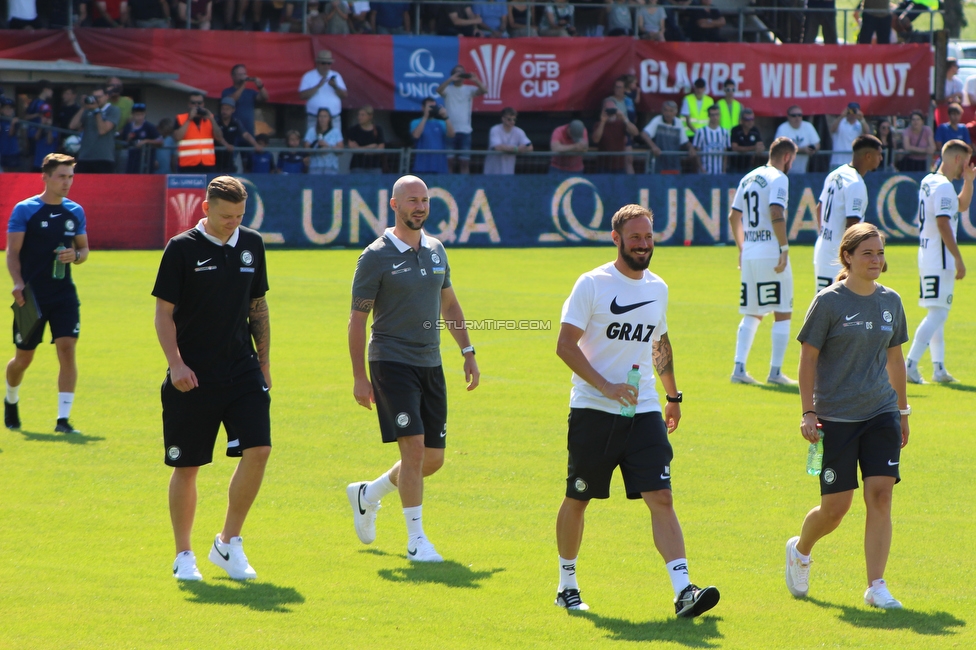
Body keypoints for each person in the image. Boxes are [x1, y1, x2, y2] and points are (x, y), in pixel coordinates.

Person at [553, 203, 720, 617]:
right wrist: (606, 387)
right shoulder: (591, 284)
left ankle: (683, 590)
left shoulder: (657, 287)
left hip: (643, 410)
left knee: (661, 496)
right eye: (635, 238)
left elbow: (659, 344)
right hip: (594, 408)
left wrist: (673, 396)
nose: (644, 244)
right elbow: (564, 345)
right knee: (579, 498)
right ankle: (567, 584)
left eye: (648, 237)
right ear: (617, 239)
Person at [346, 174, 480, 563]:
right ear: (394, 205)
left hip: (430, 362)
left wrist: (467, 350)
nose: (419, 206)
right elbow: (357, 321)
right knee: (415, 449)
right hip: (390, 361)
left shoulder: (437, 249)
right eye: (411, 200)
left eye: (424, 200)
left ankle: (367, 494)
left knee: (431, 459)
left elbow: (450, 305)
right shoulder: (375, 256)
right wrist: (359, 376)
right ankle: (416, 540)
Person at [152, 175, 272, 582]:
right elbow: (163, 313)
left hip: (241, 367)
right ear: (206, 209)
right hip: (193, 375)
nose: (232, 223)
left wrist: (265, 362)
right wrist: (176, 364)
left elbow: (258, 305)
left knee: (260, 449)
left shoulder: (252, 244)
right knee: (188, 466)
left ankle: (228, 543)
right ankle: (183, 554)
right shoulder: (181, 249)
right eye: (225, 216)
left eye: (239, 216)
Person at [786, 223, 911, 611]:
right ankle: (801, 550)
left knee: (881, 494)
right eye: (867, 254)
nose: (876, 260)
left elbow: (895, 360)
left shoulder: (891, 301)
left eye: (880, 253)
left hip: (881, 412)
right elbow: (808, 358)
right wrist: (808, 411)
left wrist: (903, 411)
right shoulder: (828, 302)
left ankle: (876, 585)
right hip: (836, 418)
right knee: (836, 508)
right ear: (848, 258)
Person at [5, 153, 90, 434]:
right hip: (31, 296)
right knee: (23, 359)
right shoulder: (25, 210)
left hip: (64, 294)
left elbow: (84, 250)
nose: (67, 182)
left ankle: (63, 420)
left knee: (67, 349)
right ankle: (11, 398)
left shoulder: (75, 211)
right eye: (62, 176)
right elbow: (12, 252)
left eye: (71, 176)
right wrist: (18, 283)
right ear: (46, 177)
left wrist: (74, 255)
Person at [728, 137, 798, 385]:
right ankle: (776, 372)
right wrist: (784, 247)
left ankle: (739, 368)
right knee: (783, 311)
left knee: (752, 313)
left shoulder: (748, 177)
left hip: (750, 254)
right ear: (787, 157)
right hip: (770, 252)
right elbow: (776, 211)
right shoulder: (779, 178)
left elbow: (733, 217)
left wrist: (741, 247)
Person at [905, 139, 972, 384]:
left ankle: (939, 368)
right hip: (939, 257)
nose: (966, 166)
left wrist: (968, 181)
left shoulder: (930, 181)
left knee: (937, 311)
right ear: (957, 159)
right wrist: (958, 258)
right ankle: (909, 364)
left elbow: (960, 206)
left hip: (927, 254)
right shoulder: (943, 186)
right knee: (939, 313)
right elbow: (944, 223)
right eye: (965, 162)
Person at [814, 135, 883, 292]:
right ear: (868, 156)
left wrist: (825, 235)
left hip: (823, 249)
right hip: (838, 259)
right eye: (879, 154)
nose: (881, 158)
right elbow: (852, 225)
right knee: (842, 310)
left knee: (823, 306)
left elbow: (819, 207)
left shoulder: (835, 174)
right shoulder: (855, 183)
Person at [437, 65, 486, 175]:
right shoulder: (448, 89)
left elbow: (484, 90)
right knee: (449, 161)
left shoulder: (468, 89)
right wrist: (451, 79)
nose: (459, 76)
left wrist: (475, 80)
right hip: (450, 130)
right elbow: (438, 90)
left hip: (465, 130)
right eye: (457, 73)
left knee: (464, 162)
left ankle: (464, 187)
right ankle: (448, 186)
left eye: (461, 73)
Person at [68, 86, 120, 175]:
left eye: (99, 97)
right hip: (85, 157)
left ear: (106, 96)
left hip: (104, 157)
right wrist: (83, 107)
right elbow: (72, 126)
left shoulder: (113, 110)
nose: (96, 100)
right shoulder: (88, 110)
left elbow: (102, 130)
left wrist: (96, 110)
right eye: (94, 97)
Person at [173, 93, 223, 174]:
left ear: (203, 104)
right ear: (189, 104)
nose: (197, 105)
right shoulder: (181, 118)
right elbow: (177, 137)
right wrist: (189, 119)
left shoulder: (211, 118)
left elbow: (219, 137)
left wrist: (211, 119)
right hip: (187, 164)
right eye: (193, 103)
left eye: (199, 103)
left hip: (207, 164)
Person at [299, 50, 347, 132]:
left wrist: (335, 86)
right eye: (323, 63)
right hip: (314, 118)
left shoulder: (337, 76)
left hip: (333, 118)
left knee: (335, 143)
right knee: (312, 143)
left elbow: (345, 95)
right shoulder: (308, 76)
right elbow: (302, 95)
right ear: (317, 63)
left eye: (329, 63)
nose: (326, 66)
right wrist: (317, 86)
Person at [640, 101, 694, 174]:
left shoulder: (679, 123)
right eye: (666, 110)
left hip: (674, 164)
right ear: (662, 111)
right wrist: (653, 147)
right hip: (659, 164)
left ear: (675, 112)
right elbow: (644, 134)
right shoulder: (657, 120)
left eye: (671, 111)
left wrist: (691, 148)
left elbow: (685, 141)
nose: (668, 113)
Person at [221, 65, 267, 140]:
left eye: (244, 74)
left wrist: (261, 86)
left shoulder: (250, 92)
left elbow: (265, 97)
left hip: (249, 133)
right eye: (240, 74)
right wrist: (243, 85)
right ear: (233, 76)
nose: (243, 76)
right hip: (233, 133)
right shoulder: (227, 92)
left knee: (250, 151)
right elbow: (232, 100)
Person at [593, 98, 639, 174]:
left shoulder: (621, 124)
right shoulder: (598, 124)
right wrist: (603, 122)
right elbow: (596, 140)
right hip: (603, 166)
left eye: (612, 109)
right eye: (608, 110)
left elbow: (635, 133)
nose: (610, 112)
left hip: (619, 166)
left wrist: (624, 118)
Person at [215, 96, 257, 174]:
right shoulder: (216, 120)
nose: (224, 111)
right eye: (223, 109)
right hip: (215, 157)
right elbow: (217, 136)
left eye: (227, 109)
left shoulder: (235, 122)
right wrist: (226, 145)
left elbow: (245, 134)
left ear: (233, 110)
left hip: (229, 157)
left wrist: (256, 145)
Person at [411, 98, 453, 175]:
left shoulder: (441, 123)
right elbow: (416, 135)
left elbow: (451, 135)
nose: (432, 109)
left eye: (434, 107)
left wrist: (446, 117)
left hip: (440, 165)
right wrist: (425, 117)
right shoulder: (416, 122)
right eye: (430, 107)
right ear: (423, 108)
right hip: (422, 165)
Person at [485, 107, 532, 175]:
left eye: (514, 119)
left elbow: (529, 146)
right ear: (503, 118)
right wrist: (516, 149)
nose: (512, 121)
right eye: (509, 119)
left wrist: (521, 148)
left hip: (509, 172)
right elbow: (497, 147)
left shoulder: (519, 131)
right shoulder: (495, 129)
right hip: (492, 172)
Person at [774, 106, 820, 175]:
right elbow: (781, 147)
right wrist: (802, 150)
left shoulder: (808, 126)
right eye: (794, 116)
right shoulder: (783, 128)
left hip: (803, 171)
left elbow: (817, 144)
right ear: (788, 117)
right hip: (784, 172)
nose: (797, 118)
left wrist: (812, 149)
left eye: (799, 115)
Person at [120, 103, 163, 174]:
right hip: (132, 160)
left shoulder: (149, 127)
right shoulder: (128, 127)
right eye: (137, 115)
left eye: (142, 115)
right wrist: (128, 138)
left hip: (146, 160)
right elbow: (125, 144)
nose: (140, 117)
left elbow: (160, 141)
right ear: (133, 115)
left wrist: (146, 141)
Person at [828, 102, 869, 170]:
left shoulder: (859, 124)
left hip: (853, 162)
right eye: (850, 110)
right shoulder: (840, 122)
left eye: (854, 111)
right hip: (838, 161)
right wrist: (841, 116)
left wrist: (862, 119)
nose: (852, 113)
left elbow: (867, 133)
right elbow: (832, 129)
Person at [691, 104, 730, 175]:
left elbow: (725, 153)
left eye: (717, 114)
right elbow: (697, 153)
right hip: (704, 171)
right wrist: (701, 170)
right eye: (712, 115)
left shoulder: (724, 132)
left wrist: (724, 170)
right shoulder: (701, 132)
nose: (715, 117)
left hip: (719, 172)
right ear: (709, 116)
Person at [303, 108, 344, 175]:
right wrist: (316, 149)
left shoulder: (336, 131)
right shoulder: (311, 131)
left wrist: (328, 146)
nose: (322, 119)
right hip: (315, 167)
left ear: (329, 118)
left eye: (325, 116)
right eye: (320, 116)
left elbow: (341, 149)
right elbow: (306, 148)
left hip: (331, 167)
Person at [347, 105, 386, 174]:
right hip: (357, 166)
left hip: (374, 166)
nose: (359, 117)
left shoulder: (377, 129)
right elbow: (352, 148)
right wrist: (370, 147)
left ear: (370, 116)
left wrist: (359, 148)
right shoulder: (353, 130)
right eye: (358, 115)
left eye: (362, 115)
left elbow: (381, 148)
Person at [729, 107, 764, 174]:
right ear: (741, 120)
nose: (750, 122)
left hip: (750, 166)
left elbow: (760, 146)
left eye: (752, 119)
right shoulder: (735, 130)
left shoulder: (755, 130)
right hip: (735, 166)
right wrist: (753, 148)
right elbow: (734, 147)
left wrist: (760, 148)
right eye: (747, 119)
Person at [0, 98, 22, 172]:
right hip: (3, 152)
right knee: (4, 174)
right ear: (1, 110)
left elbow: (11, 133)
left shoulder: (15, 121)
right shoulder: (1, 121)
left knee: (14, 173)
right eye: (6, 108)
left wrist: (13, 123)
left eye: (10, 108)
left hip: (13, 151)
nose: (8, 110)